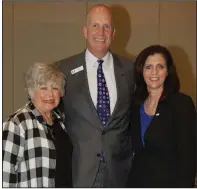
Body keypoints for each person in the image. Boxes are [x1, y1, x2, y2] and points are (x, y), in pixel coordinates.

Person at [57, 4, 135, 188]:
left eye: (106, 26)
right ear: (85, 31)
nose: (101, 31)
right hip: (79, 172)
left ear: (113, 32)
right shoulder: (63, 70)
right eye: (95, 25)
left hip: (120, 174)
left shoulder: (131, 70)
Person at [127, 45, 196, 187]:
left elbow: (189, 157)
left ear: (168, 71)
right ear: (141, 71)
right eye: (148, 67)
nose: (154, 72)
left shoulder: (181, 104)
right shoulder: (134, 104)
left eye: (160, 66)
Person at [3, 62, 73, 187]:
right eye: (43, 88)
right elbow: (4, 174)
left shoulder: (61, 122)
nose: (50, 94)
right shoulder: (17, 123)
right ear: (31, 91)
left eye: (55, 88)